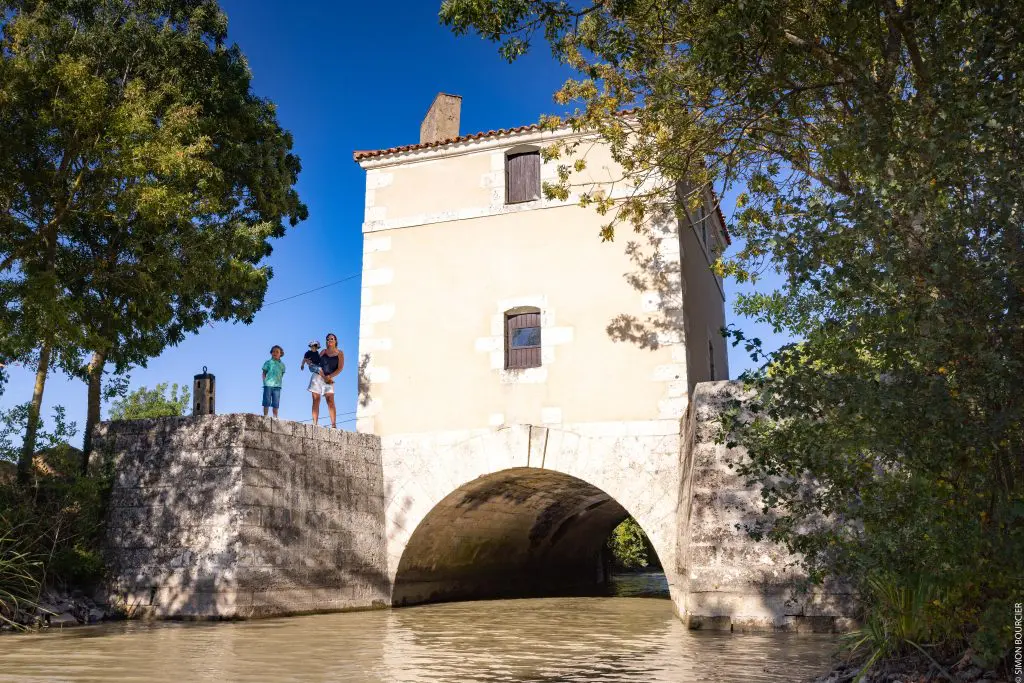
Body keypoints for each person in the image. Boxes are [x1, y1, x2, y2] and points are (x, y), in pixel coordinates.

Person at [308, 332, 344, 428]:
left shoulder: (340, 353)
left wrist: (330, 376)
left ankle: (333, 425)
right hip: (318, 376)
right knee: (316, 399)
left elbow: (340, 368)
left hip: (329, 378)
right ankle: (315, 424)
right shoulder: (323, 351)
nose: (329, 340)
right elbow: (317, 363)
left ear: (335, 341)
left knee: (330, 400)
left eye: (331, 339)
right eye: (328, 339)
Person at [261, 345, 286, 418]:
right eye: (273, 351)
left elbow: (282, 374)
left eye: (277, 352)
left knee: (276, 403)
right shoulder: (268, 362)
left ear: (280, 354)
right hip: (268, 385)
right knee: (266, 401)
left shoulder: (282, 365)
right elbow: (264, 373)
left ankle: (275, 417)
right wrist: (264, 381)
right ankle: (265, 416)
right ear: (271, 353)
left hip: (277, 386)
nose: (275, 353)